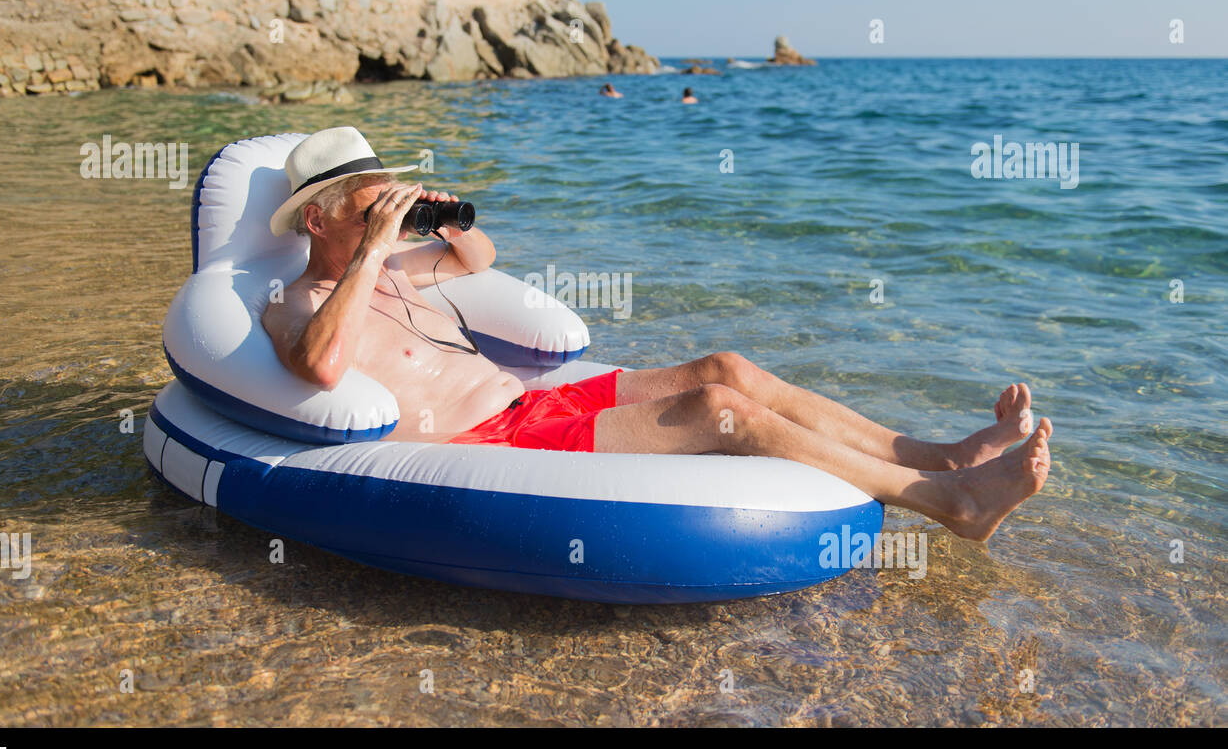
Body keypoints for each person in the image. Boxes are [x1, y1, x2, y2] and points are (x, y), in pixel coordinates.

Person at [263, 127, 1052, 541]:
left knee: (727, 367)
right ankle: (950, 502)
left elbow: (478, 253)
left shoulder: (400, 268)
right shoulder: (293, 304)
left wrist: (427, 213)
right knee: (715, 410)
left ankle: (937, 455)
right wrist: (373, 250)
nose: (385, 217)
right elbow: (322, 368)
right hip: (489, 443)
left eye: (384, 200)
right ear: (317, 217)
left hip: (534, 404)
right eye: (368, 203)